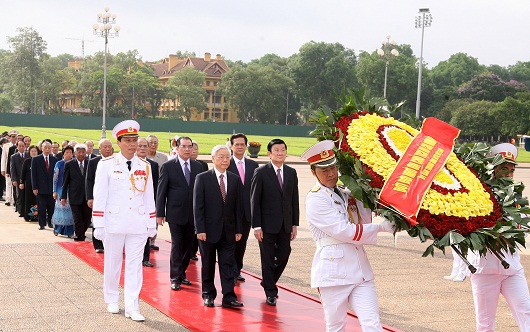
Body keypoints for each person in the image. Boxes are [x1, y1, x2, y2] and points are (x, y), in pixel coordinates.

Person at [301, 140, 395, 331]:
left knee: (373, 325)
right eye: (324, 170)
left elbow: (364, 219)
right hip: (334, 273)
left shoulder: (345, 193)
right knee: (336, 326)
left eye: (333, 168)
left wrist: (365, 190)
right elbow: (344, 231)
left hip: (360, 272)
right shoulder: (316, 198)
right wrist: (382, 228)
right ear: (313, 172)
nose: (331, 174)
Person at [92, 120, 156, 322]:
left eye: (134, 140)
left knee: (135, 266)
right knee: (113, 263)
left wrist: (151, 223)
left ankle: (132, 305)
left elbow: (149, 196)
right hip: (114, 222)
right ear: (118, 143)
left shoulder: (144, 166)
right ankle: (112, 298)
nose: (132, 145)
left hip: (137, 223)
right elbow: (100, 195)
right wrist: (99, 223)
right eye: (127, 141)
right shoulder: (107, 164)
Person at [467, 143, 530, 331]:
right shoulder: (480, 195)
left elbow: (523, 222)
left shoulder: (515, 195)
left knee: (526, 311)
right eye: (504, 168)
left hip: (511, 267)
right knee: (485, 323)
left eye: (511, 170)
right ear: (492, 168)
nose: (509, 174)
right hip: (485, 269)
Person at [251, 138, 299, 306]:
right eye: (276, 150)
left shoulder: (292, 172)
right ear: (269, 154)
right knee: (267, 258)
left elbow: (294, 200)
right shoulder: (261, 172)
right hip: (266, 225)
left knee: (284, 254)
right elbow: (254, 201)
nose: (280, 153)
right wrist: (256, 226)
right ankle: (270, 291)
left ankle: (267, 281)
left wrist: (294, 224)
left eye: (283, 150)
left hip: (285, 224)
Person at [194, 145, 243, 308]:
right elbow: (198, 206)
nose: (225, 160)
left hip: (228, 231)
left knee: (228, 264)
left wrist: (238, 229)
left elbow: (238, 207)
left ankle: (229, 296)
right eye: (221, 157)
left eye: (227, 157)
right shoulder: (202, 178)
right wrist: (200, 229)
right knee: (208, 264)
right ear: (213, 158)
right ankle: (208, 294)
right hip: (207, 231)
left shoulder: (235, 179)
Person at [156, 136, 202, 291]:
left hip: (193, 214)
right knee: (177, 245)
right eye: (184, 146)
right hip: (175, 213)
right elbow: (161, 192)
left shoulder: (198, 167)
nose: (188, 149)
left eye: (190, 146)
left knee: (189, 247)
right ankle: (175, 277)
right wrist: (160, 213)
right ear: (177, 148)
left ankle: (182, 273)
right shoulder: (169, 166)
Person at [228, 133, 259, 282]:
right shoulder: (226, 163)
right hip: (229, 211)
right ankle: (230, 270)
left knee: (242, 243)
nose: (240, 147)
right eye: (237, 144)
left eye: (242, 144)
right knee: (229, 242)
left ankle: (237, 269)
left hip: (247, 212)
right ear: (231, 146)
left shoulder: (253, 165)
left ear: (246, 146)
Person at [86, 139, 114, 253]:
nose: (108, 149)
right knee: (98, 219)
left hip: (112, 198)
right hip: (98, 196)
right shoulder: (93, 162)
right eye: (105, 147)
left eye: (109, 147)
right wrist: (90, 197)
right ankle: (98, 244)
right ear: (100, 148)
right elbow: (89, 181)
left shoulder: (116, 161)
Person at [136, 137, 159, 267]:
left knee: (145, 232)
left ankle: (145, 258)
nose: (143, 148)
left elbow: (155, 186)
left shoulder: (152, 165)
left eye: (145, 146)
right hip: (131, 206)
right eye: (140, 146)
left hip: (146, 205)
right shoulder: (129, 163)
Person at [62, 144, 91, 241]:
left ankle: (81, 233)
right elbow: (65, 182)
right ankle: (79, 236)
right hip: (74, 196)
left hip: (88, 197)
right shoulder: (69, 164)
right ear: (75, 153)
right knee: (77, 218)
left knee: (87, 218)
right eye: (79, 152)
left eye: (83, 152)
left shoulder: (90, 164)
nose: (81, 154)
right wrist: (63, 197)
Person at [146, 134, 167, 251]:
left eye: (155, 143)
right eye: (150, 143)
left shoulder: (163, 158)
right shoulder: (141, 156)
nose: (153, 145)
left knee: (156, 215)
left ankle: (152, 240)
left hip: (158, 190)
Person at [189, 140, 209, 261]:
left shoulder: (203, 165)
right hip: (188, 201)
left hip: (201, 200)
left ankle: (194, 251)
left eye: (196, 149)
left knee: (199, 227)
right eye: (192, 148)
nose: (193, 151)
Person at [31, 141, 58, 230]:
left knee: (51, 207)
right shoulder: (36, 159)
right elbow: (33, 174)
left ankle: (50, 222)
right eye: (45, 147)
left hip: (51, 188)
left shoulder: (54, 159)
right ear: (41, 148)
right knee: (41, 207)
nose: (47, 149)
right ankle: (41, 224)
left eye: (49, 148)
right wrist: (34, 187)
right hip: (40, 188)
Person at [51, 146, 75, 237]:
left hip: (71, 191)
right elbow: (55, 178)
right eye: (67, 152)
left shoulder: (74, 163)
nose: (69, 154)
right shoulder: (59, 164)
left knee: (70, 212)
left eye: (70, 152)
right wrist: (54, 191)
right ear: (63, 153)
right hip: (60, 190)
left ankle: (69, 232)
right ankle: (57, 229)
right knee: (59, 211)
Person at [19, 145, 39, 221]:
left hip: (37, 184)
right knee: (28, 199)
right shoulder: (27, 161)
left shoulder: (39, 161)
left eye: (35, 151)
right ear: (29, 152)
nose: (33, 153)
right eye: (32, 151)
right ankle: (28, 216)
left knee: (36, 200)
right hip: (28, 184)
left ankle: (36, 216)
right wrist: (21, 182)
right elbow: (23, 173)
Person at [10, 141, 28, 218]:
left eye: (23, 146)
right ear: (17, 147)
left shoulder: (28, 155)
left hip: (27, 179)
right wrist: (14, 179)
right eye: (20, 146)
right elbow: (12, 169)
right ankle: (20, 210)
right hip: (18, 178)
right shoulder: (14, 157)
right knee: (19, 195)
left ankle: (26, 210)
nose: (21, 147)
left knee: (26, 195)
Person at [1, 130, 18, 207]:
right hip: (8, 167)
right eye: (12, 136)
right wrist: (3, 169)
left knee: (15, 184)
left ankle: (15, 199)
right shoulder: (6, 146)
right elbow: (4, 158)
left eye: (15, 136)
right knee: (8, 183)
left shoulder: (19, 145)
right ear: (10, 137)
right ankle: (8, 199)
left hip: (17, 168)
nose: (14, 138)